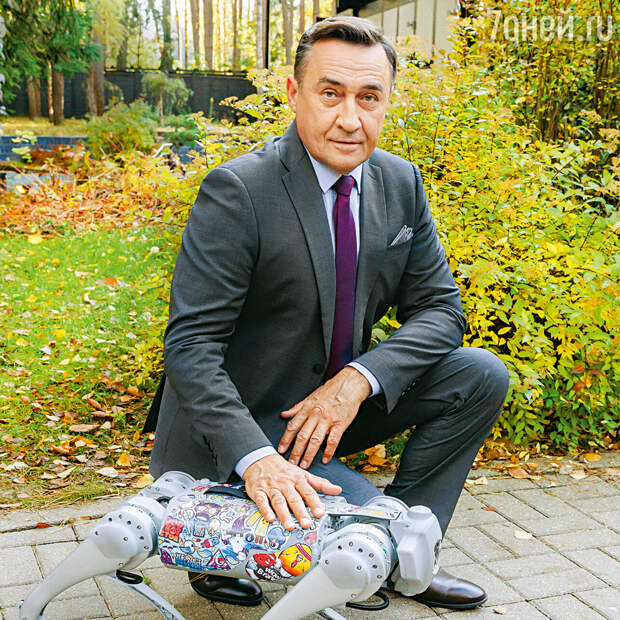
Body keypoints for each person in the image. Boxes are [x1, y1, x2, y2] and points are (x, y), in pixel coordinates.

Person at [147, 15, 510, 611]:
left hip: (330, 412)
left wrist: (358, 380)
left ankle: (402, 557)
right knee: (348, 526)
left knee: (480, 374)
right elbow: (191, 346)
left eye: (369, 97)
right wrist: (257, 460)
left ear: (387, 101)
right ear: (295, 93)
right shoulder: (239, 191)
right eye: (331, 93)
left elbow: (442, 309)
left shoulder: (400, 182)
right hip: (247, 423)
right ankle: (220, 526)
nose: (350, 118)